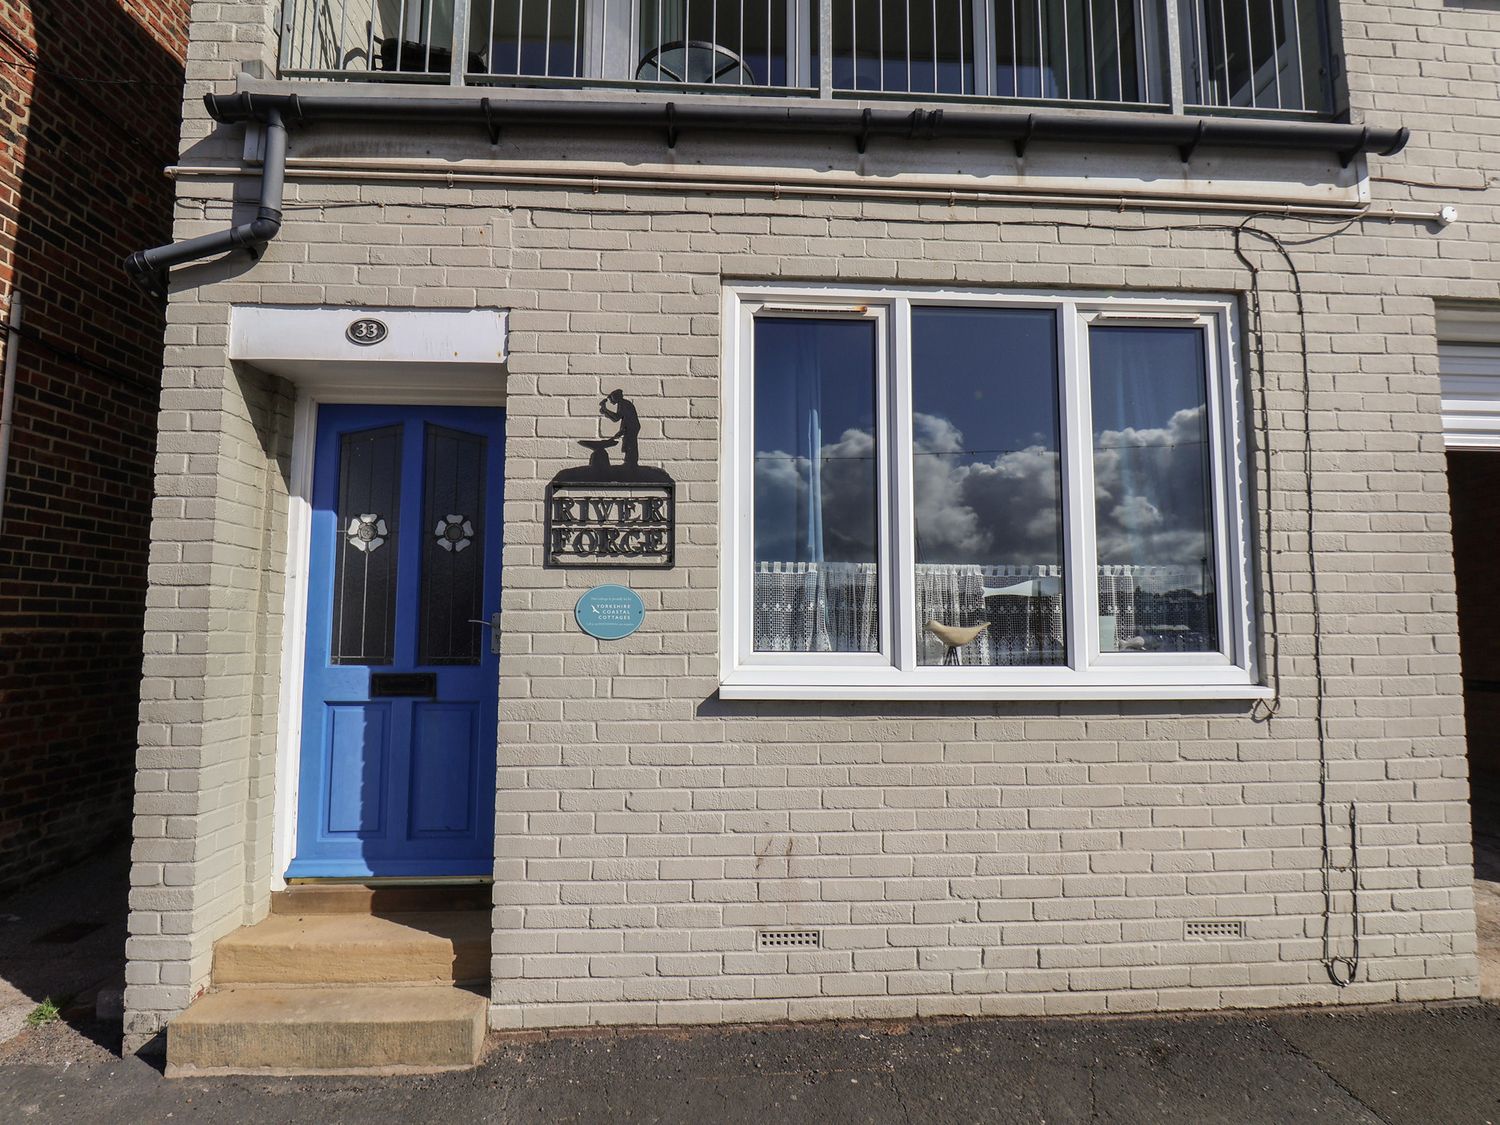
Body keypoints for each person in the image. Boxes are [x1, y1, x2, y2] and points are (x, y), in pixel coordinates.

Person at [600, 389, 640, 468]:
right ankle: (630, 462)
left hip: (631, 427)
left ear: (616, 397)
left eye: (611, 398)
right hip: (630, 427)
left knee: (630, 444)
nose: (611, 400)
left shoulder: (623, 404)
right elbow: (621, 418)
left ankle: (631, 464)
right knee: (628, 444)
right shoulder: (623, 403)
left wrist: (605, 409)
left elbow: (616, 417)